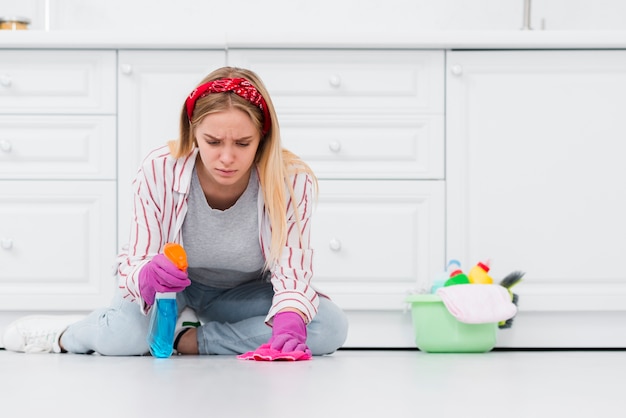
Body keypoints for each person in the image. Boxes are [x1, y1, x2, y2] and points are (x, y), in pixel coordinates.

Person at [3, 67, 349, 358]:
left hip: (242, 294)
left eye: (243, 144)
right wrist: (149, 276)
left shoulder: (289, 179)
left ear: (263, 137)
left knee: (329, 326)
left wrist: (289, 315)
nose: (227, 158)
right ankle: (65, 334)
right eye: (213, 142)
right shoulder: (159, 169)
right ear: (193, 131)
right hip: (173, 289)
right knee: (124, 339)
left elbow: (292, 269)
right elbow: (135, 261)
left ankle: (191, 338)